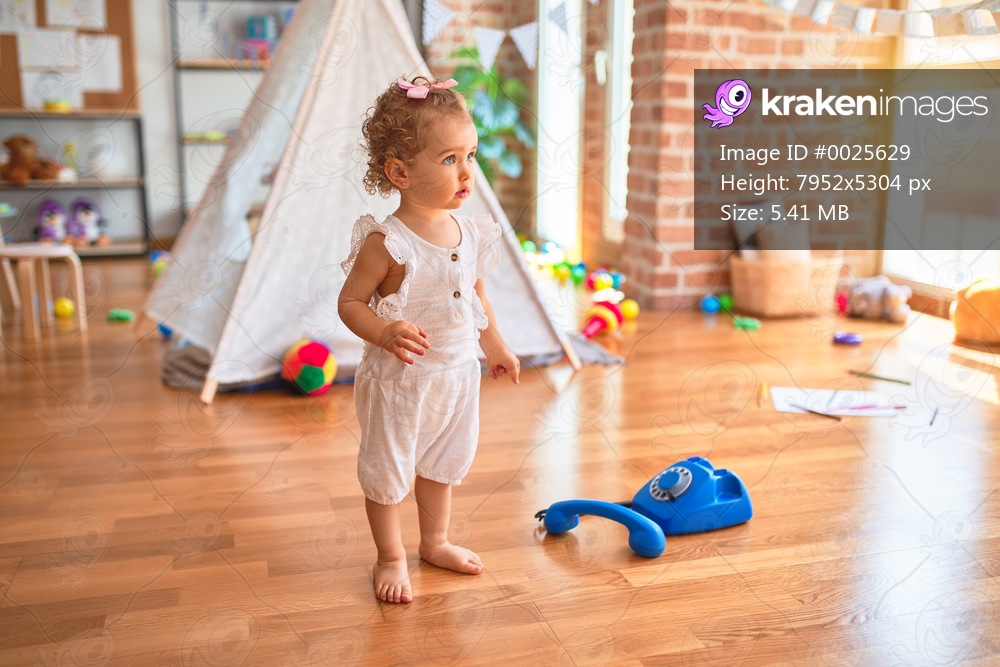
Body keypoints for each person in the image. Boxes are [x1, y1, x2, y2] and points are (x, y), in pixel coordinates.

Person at [339, 76, 520, 604]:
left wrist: (497, 346)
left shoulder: (472, 231)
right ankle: (390, 556)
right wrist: (384, 329)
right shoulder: (387, 241)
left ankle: (434, 541)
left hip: (457, 375)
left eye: (471, 155)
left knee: (443, 463)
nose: (466, 172)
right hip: (400, 384)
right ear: (399, 171)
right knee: (389, 470)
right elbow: (349, 304)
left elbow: (475, 296)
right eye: (448, 159)